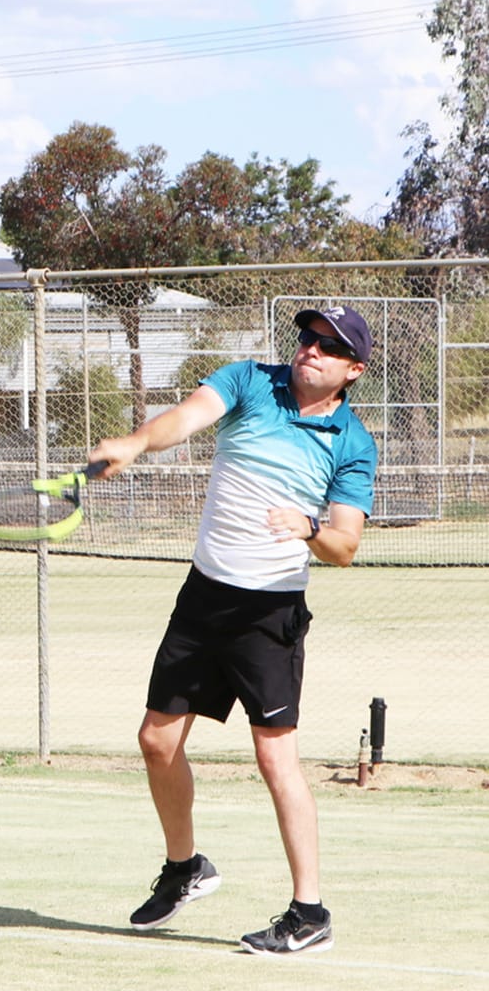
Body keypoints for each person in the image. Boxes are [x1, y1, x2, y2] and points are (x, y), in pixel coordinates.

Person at [90, 305, 377, 956]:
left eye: (329, 347)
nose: (311, 349)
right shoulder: (250, 381)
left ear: (352, 370)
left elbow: (345, 545)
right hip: (203, 598)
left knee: (276, 758)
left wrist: (306, 527)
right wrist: (135, 443)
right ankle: (186, 868)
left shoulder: (353, 442)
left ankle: (309, 913)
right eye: (308, 337)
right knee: (156, 742)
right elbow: (186, 418)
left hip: (267, 615)